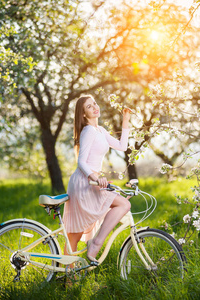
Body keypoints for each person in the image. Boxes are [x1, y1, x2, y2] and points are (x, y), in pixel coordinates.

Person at [63, 94, 131, 264]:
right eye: (89, 107)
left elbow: (122, 146)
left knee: (76, 233)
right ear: (83, 114)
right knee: (76, 233)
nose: (95, 107)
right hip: (83, 183)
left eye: (94, 104)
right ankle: (69, 273)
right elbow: (81, 162)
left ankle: (69, 272)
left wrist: (125, 121)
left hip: (92, 183)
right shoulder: (88, 131)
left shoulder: (100, 130)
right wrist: (95, 176)